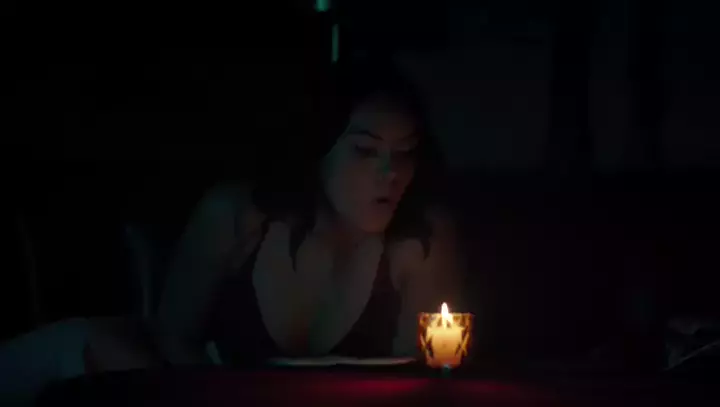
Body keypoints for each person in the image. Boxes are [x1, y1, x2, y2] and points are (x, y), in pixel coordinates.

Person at [152, 57, 466, 365]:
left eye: (405, 152)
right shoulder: (235, 216)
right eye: (365, 150)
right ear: (318, 147)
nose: (391, 173)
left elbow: (418, 375)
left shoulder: (418, 242)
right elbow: (171, 340)